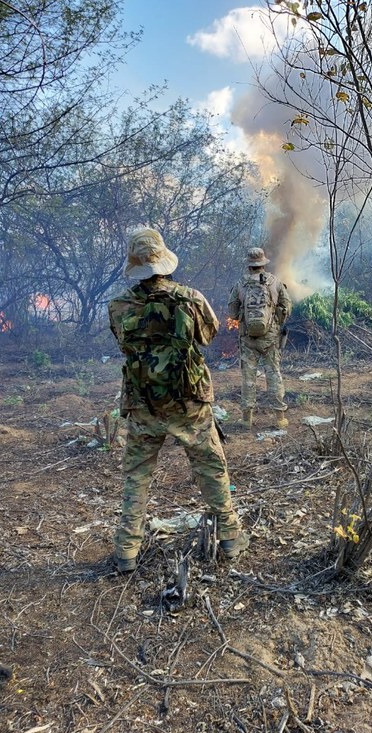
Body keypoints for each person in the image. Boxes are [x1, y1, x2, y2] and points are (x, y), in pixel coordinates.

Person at [108, 227, 249, 573]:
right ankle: (230, 538)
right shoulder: (190, 298)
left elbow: (124, 345)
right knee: (211, 467)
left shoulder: (118, 306)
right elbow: (209, 334)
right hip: (189, 402)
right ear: (164, 260)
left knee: (137, 475)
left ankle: (126, 550)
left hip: (143, 403)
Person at [228, 247, 292, 430]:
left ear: (249, 265)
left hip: (248, 339)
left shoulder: (240, 284)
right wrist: (275, 320)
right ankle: (280, 418)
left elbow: (232, 313)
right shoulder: (275, 282)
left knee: (248, 378)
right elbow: (286, 308)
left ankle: (246, 419)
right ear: (263, 264)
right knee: (274, 375)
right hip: (270, 338)